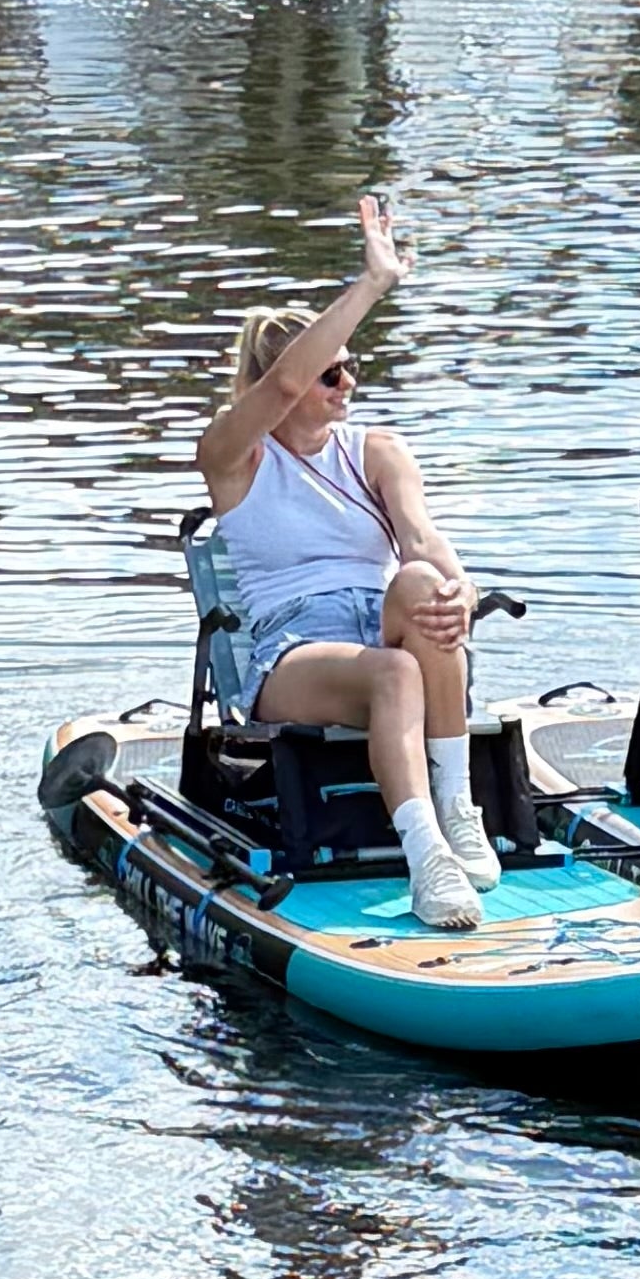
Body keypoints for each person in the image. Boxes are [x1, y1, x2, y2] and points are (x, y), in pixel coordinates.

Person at [196, 190, 500, 933]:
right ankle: (426, 854)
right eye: (331, 375)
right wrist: (370, 285)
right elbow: (283, 385)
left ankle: (459, 809)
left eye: (351, 370)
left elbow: (424, 540)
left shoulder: (378, 450)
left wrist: (460, 591)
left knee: (424, 585)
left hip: (384, 615)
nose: (346, 386)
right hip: (293, 646)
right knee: (393, 672)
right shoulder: (233, 456)